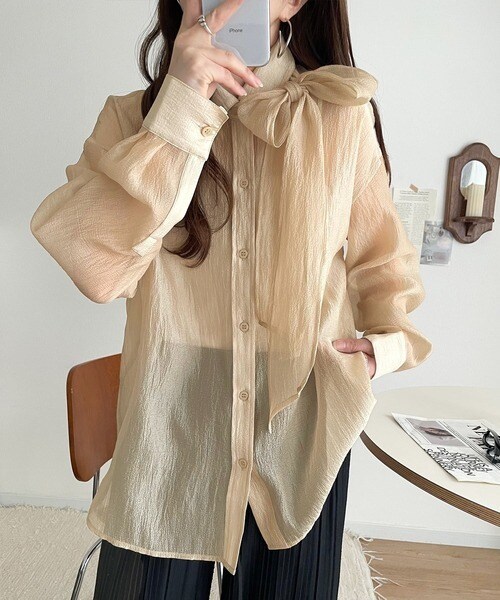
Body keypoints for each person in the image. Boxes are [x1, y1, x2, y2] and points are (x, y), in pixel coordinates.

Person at [30, 0, 433, 598]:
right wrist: (180, 110)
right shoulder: (130, 121)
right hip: (168, 425)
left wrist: (386, 347)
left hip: (301, 428)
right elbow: (97, 272)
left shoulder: (340, 116)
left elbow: (383, 257)